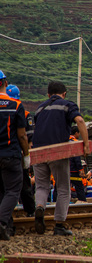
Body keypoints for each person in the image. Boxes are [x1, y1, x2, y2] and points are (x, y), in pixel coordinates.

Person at [32, 81, 89, 236]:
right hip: (57, 151)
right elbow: (80, 121)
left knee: (42, 186)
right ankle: (59, 225)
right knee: (63, 188)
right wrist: (85, 145)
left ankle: (40, 207)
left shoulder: (40, 108)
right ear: (64, 93)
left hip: (37, 152)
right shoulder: (67, 105)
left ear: (48, 95)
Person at [0, 71, 30, 240]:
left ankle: (7, 226)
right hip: (10, 154)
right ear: (5, 82)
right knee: (12, 190)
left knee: (0, 191)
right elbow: (22, 135)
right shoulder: (16, 105)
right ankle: (2, 223)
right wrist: (26, 155)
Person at [6, 84, 35, 217]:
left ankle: (8, 218)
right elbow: (27, 138)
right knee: (23, 185)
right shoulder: (23, 111)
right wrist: (27, 155)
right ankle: (30, 211)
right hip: (17, 154)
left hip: (7, 153)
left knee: (5, 188)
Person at [69, 127, 86, 202]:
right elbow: (77, 158)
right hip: (74, 170)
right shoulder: (75, 142)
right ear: (76, 133)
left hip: (64, 169)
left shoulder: (64, 141)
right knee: (79, 188)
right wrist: (80, 169)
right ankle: (83, 203)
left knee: (61, 189)